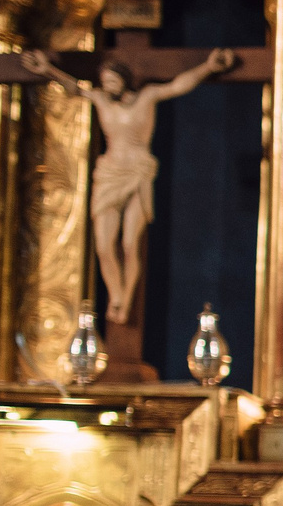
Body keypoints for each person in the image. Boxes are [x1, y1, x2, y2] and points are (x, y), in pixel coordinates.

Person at [20, 46, 237, 324]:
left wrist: (208, 67)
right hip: (110, 173)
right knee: (103, 245)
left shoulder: (146, 98)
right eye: (105, 81)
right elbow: (74, 88)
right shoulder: (100, 99)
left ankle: (126, 296)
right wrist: (46, 70)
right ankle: (116, 293)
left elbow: (177, 85)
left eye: (113, 80)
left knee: (129, 242)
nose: (108, 86)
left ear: (123, 80)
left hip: (137, 172)